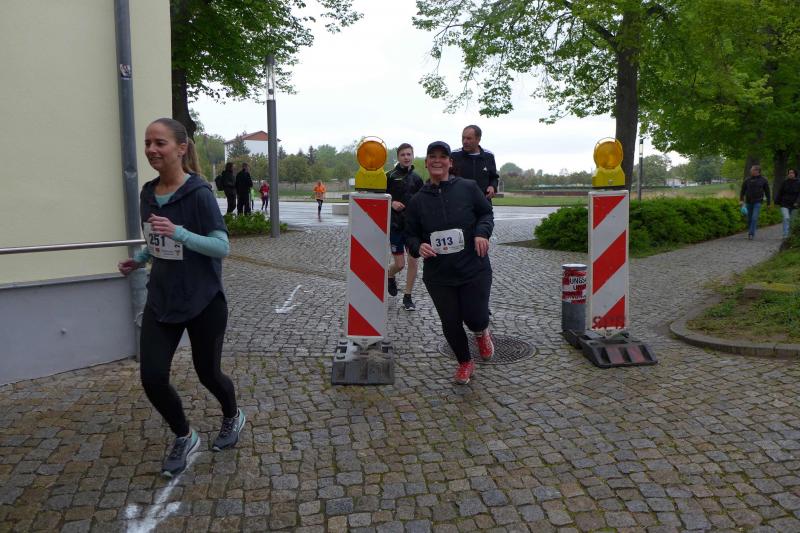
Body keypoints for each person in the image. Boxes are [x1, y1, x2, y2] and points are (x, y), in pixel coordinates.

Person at [117, 118, 245, 477]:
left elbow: (221, 247)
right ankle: (184, 435)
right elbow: (156, 240)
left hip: (203, 299)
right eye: (148, 143)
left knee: (208, 374)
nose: (151, 149)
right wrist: (139, 259)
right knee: (152, 376)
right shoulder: (147, 194)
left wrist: (181, 233)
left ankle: (233, 415)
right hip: (163, 298)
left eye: (160, 143)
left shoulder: (199, 193)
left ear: (181, 148)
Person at [405, 141, 495, 385]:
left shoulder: (468, 188)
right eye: (432, 156)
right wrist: (418, 246)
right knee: (451, 322)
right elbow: (410, 234)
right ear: (426, 163)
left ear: (450, 162)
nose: (437, 160)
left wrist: (482, 233)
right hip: (439, 275)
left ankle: (481, 331)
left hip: (473, 267)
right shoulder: (417, 201)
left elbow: (486, 213)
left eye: (442, 156)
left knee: (475, 317)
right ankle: (465, 362)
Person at [386, 143, 424, 311]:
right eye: (403, 154)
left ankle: (408, 296)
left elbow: (423, 202)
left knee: (413, 261)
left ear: (413, 156)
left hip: (413, 228)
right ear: (398, 157)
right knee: (400, 264)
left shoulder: (417, 179)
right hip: (395, 225)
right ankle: (389, 275)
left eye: (409, 154)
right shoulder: (389, 176)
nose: (406, 157)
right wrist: (391, 203)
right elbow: (380, 198)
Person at [451, 125, 499, 200]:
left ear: (478, 139)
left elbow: (494, 178)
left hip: (483, 202)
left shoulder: (489, 156)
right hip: (459, 202)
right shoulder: (454, 155)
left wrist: (492, 186)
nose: (465, 141)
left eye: (469, 138)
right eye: (463, 138)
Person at [739, 165, 771, 239]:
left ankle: (751, 234)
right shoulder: (747, 180)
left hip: (758, 201)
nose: (751, 171)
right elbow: (742, 191)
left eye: (752, 170)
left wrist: (768, 203)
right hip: (748, 202)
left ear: (757, 171)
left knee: (754, 217)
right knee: (749, 219)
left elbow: (767, 192)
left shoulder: (763, 180)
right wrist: (741, 200)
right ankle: (750, 232)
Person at [776, 168, 800, 239]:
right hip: (784, 203)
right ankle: (785, 235)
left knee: (792, 221)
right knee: (786, 218)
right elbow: (780, 192)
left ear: (795, 174)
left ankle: (790, 236)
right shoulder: (784, 182)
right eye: (789, 173)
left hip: (795, 205)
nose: (790, 174)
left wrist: (797, 202)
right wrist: (777, 202)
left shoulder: (798, 183)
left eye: (792, 173)